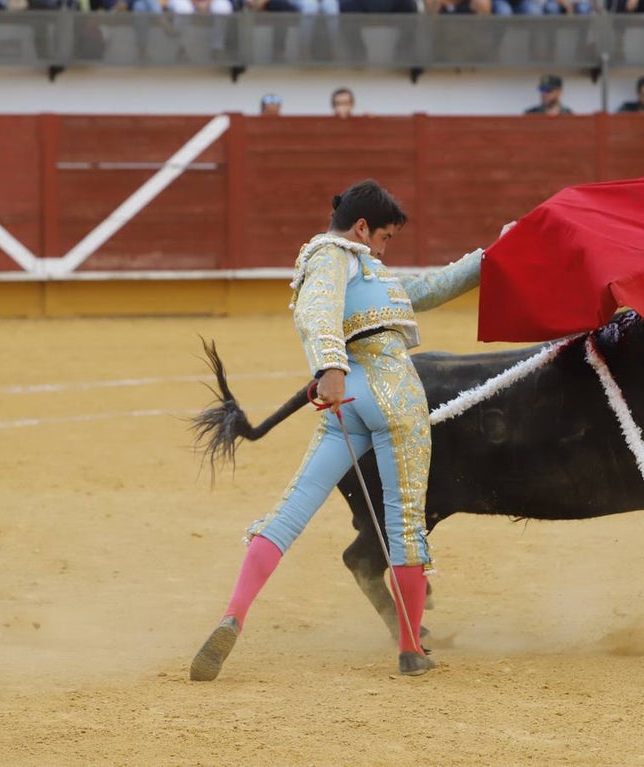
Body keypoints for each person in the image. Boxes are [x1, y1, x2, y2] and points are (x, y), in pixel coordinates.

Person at [189, 180, 496, 679]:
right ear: (361, 228)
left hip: (348, 401)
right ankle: (411, 648)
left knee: (289, 511)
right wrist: (329, 365)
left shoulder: (363, 270)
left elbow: (425, 290)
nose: (384, 249)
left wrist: (486, 259)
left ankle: (234, 614)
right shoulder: (334, 255)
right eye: (384, 238)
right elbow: (317, 310)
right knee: (403, 524)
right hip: (389, 392)